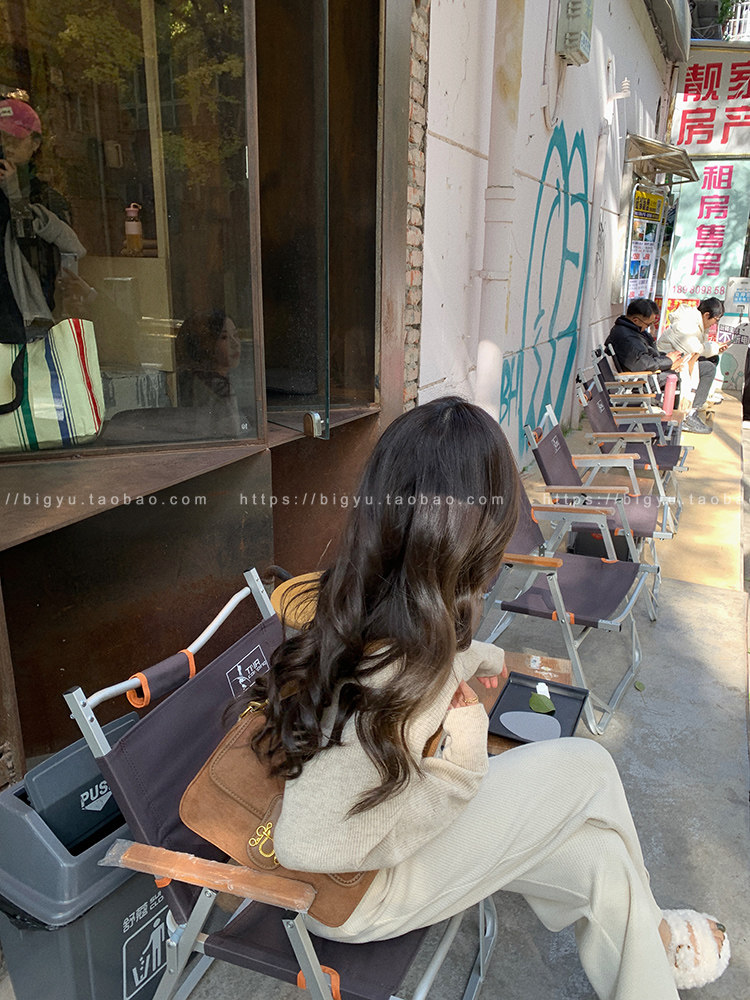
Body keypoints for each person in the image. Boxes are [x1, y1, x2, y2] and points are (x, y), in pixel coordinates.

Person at [233, 396, 730, 999]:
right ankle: (656, 933)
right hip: (360, 892)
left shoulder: (368, 601)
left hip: (388, 842)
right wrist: (462, 762)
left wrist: (475, 661)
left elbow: (403, 684)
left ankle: (650, 946)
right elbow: (306, 844)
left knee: (598, 860)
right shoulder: (397, 673)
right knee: (588, 766)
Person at [0, 95, 85, 338]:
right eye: (2, 138)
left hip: (25, 320)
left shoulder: (45, 197)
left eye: (16, 138)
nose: (8, 146)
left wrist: (15, 197)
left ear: (35, 143)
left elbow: (39, 258)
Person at [657, 298, 729, 435]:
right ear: (706, 315)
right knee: (708, 368)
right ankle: (689, 414)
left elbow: (698, 350)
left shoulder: (696, 323)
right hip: (668, 366)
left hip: (680, 361)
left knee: (711, 360)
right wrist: (714, 347)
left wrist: (715, 348)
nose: (715, 324)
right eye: (716, 319)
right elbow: (696, 350)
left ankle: (694, 407)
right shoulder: (686, 324)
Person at [174, 308, 244, 437]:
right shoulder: (219, 387)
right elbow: (233, 433)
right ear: (205, 344)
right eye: (224, 337)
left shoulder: (192, 379)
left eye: (236, 335)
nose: (235, 344)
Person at [604, 298, 683, 385]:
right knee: (682, 374)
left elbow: (647, 357)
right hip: (642, 380)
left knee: (685, 368)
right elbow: (644, 364)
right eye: (648, 324)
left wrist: (668, 358)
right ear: (636, 320)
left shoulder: (631, 330)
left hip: (647, 374)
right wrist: (668, 360)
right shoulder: (627, 338)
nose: (650, 327)